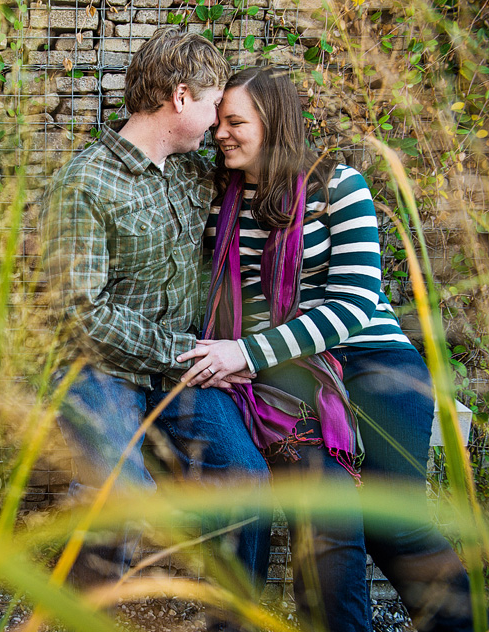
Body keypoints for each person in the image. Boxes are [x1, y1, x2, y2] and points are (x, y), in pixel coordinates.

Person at [178, 66, 474, 632]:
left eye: (235, 122)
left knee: (396, 518)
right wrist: (233, 356)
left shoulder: (339, 187)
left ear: (274, 123)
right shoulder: (223, 199)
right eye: (218, 123)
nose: (221, 134)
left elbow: (355, 302)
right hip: (290, 373)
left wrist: (245, 353)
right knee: (326, 508)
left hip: (371, 357)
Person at [39, 28, 272, 617]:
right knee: (122, 494)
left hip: (178, 368)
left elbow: (275, 186)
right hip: (99, 370)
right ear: (182, 97)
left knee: (247, 478)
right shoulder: (84, 184)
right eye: (215, 105)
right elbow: (81, 316)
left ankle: (231, 622)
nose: (220, 124)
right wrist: (182, 354)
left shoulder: (193, 175)